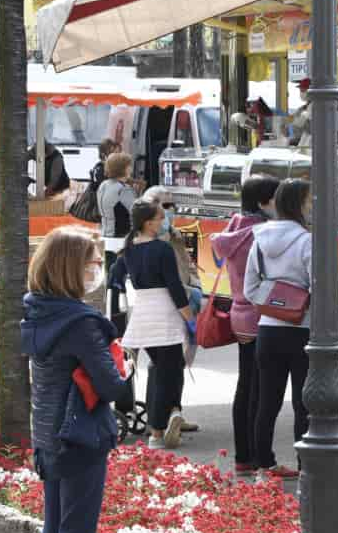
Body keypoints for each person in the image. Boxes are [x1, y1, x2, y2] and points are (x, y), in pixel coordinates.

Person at [21, 225, 131, 533]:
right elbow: (111, 386)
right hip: (81, 436)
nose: (96, 271)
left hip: (49, 436)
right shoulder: (81, 323)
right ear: (71, 267)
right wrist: (126, 364)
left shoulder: (38, 311)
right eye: (92, 263)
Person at [243, 178, 312, 480]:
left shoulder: (259, 238)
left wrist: (274, 302)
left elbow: (249, 288)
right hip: (301, 328)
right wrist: (298, 303)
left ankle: (262, 465)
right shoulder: (307, 240)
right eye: (309, 201)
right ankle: (305, 465)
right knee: (303, 402)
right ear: (299, 204)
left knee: (266, 401)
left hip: (268, 329)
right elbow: (320, 286)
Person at [211, 174, 280, 474]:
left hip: (240, 312)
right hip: (261, 313)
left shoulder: (234, 227)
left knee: (246, 383)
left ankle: (243, 455)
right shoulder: (261, 233)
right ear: (264, 202)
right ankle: (256, 455)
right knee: (262, 389)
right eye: (276, 197)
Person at [112, 201, 194, 450]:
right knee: (168, 373)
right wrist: (189, 317)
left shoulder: (128, 250)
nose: (163, 221)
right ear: (148, 223)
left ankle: (168, 417)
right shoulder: (162, 249)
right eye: (159, 218)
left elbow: (115, 278)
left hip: (142, 314)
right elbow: (175, 287)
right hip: (165, 314)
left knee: (163, 368)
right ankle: (158, 429)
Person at [98, 152, 137, 245]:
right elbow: (137, 212)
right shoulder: (123, 189)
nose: (131, 169)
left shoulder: (104, 185)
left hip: (104, 233)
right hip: (121, 237)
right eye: (129, 166)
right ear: (123, 168)